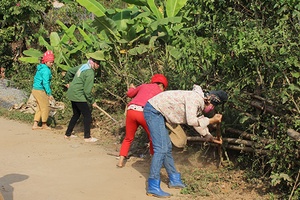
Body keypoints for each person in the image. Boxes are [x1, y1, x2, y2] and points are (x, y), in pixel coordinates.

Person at [143, 84, 228, 198]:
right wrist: (212, 120)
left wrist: (208, 136)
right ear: (208, 100)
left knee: (167, 147)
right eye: (212, 106)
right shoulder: (195, 99)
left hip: (160, 113)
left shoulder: (198, 103)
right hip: (154, 111)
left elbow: (198, 120)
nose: (211, 109)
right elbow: (192, 121)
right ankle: (153, 186)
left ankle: (174, 179)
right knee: (161, 148)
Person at [117, 74, 168, 168]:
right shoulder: (160, 93)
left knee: (128, 138)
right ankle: (155, 160)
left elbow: (130, 94)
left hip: (131, 111)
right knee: (153, 137)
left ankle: (120, 161)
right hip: (144, 113)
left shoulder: (144, 86)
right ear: (162, 85)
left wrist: (132, 88)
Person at [64, 51, 104, 142]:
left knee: (76, 114)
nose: (98, 65)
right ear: (92, 62)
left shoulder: (83, 66)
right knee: (87, 115)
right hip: (78, 95)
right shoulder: (90, 72)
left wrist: (67, 82)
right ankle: (87, 137)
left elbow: (70, 71)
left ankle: (68, 134)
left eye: (99, 63)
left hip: (72, 93)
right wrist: (92, 101)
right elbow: (87, 91)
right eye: (97, 63)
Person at [31, 50, 55, 130]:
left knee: (39, 107)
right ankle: (44, 124)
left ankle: (35, 124)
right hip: (40, 90)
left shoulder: (41, 67)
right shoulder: (46, 70)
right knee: (45, 106)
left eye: (52, 62)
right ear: (45, 61)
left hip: (35, 89)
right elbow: (45, 83)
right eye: (50, 62)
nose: (51, 64)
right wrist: (49, 93)